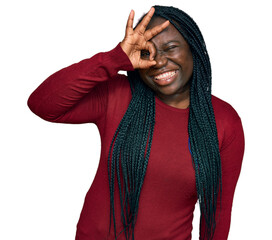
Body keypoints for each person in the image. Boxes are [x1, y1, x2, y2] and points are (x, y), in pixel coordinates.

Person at [28, 5, 244, 240]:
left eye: (171, 48)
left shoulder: (223, 122)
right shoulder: (119, 96)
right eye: (146, 53)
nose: (159, 62)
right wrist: (114, 59)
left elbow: (218, 212)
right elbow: (42, 104)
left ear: (194, 50)